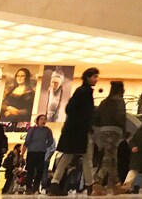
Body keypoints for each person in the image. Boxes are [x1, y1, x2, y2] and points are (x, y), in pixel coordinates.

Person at [49, 67, 99, 196]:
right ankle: (90, 186)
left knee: (67, 155)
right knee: (87, 157)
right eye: (94, 77)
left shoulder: (81, 91)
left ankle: (54, 184)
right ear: (88, 77)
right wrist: (86, 122)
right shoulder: (84, 92)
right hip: (80, 131)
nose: (96, 79)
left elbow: (70, 108)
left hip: (74, 130)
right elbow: (78, 110)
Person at [90, 81, 125, 195]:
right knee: (108, 158)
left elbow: (97, 117)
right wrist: (123, 130)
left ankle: (116, 185)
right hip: (114, 131)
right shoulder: (119, 101)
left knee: (112, 158)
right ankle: (98, 182)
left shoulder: (104, 102)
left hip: (103, 131)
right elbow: (121, 116)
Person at [23, 113, 55, 193]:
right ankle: (28, 187)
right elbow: (27, 142)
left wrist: (45, 146)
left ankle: (35, 187)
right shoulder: (32, 130)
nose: (43, 121)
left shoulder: (47, 130)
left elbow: (50, 141)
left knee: (40, 171)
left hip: (41, 153)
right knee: (30, 170)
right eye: (41, 119)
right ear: (37, 120)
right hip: (31, 152)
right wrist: (22, 153)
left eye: (45, 119)